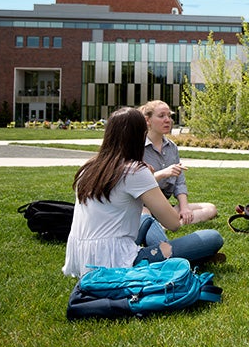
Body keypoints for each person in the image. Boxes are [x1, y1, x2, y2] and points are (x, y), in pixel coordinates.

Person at [62, 107, 224, 278]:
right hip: (116, 261)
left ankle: (176, 255)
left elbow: (122, 191)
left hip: (82, 258)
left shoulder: (87, 169)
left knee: (145, 218)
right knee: (211, 238)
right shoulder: (134, 171)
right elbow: (173, 223)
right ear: (140, 136)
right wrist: (147, 176)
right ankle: (172, 257)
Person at [140, 100, 217, 226]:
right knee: (145, 215)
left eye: (169, 116)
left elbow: (179, 182)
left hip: (164, 207)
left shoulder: (172, 147)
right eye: (161, 116)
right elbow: (135, 184)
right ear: (148, 120)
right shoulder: (137, 147)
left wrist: (184, 207)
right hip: (142, 206)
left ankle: (166, 224)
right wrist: (162, 174)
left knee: (210, 208)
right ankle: (164, 223)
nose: (167, 120)